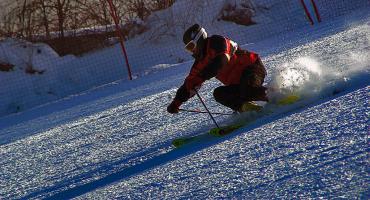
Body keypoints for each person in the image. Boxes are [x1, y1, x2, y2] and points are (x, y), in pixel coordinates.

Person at [167, 24, 268, 114]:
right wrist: (176, 103)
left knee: (247, 91)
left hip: (252, 68)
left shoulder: (217, 42)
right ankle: (246, 109)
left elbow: (221, 60)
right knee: (219, 94)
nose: (192, 51)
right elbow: (190, 83)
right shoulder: (200, 62)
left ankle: (277, 94)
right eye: (189, 49)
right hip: (238, 83)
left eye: (192, 46)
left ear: (199, 39)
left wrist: (203, 75)